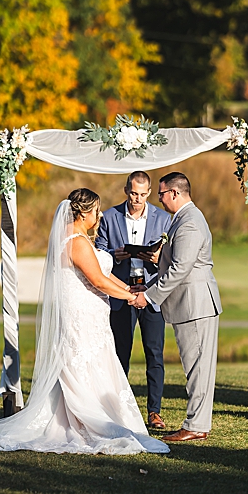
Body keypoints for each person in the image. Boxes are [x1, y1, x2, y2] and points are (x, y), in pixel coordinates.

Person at [0, 189, 169, 455]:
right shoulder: (76, 241)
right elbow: (97, 280)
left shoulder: (81, 237)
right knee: (83, 364)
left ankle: (83, 415)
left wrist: (133, 292)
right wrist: (132, 298)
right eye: (96, 210)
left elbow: (105, 276)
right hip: (81, 316)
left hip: (92, 314)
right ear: (84, 213)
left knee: (93, 363)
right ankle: (86, 420)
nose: (99, 215)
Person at [133, 172, 224, 443]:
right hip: (190, 303)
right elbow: (175, 262)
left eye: (160, 194)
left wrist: (149, 297)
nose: (158, 199)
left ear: (174, 192)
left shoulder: (190, 222)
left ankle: (195, 425)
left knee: (198, 368)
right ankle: (197, 422)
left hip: (195, 304)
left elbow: (180, 269)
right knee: (195, 366)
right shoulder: (181, 219)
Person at [95, 170, 170, 430]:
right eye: (133, 193)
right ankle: (119, 409)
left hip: (151, 293)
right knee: (120, 354)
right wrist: (114, 255)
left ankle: (155, 412)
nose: (137, 199)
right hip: (121, 294)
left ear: (149, 193)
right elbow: (98, 251)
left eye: (142, 194)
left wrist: (157, 259)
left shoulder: (163, 218)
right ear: (126, 190)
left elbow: (172, 256)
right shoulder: (110, 217)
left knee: (154, 353)